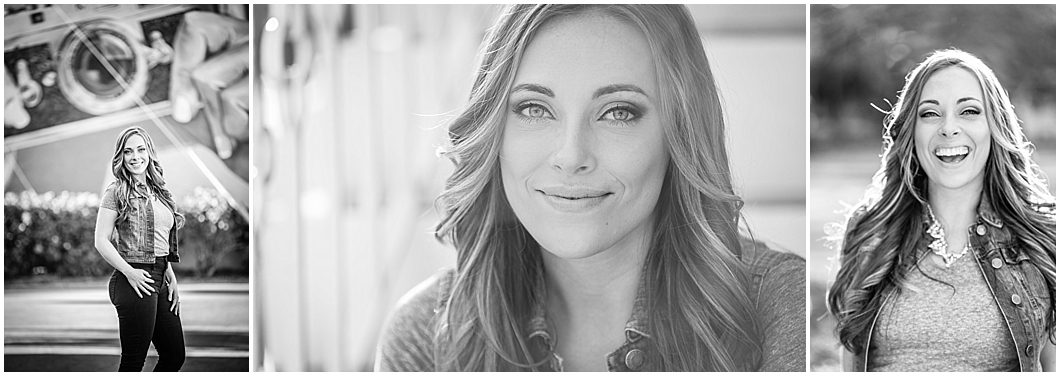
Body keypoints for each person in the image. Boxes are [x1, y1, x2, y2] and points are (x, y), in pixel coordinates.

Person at [375, 4, 805, 372]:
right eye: (534, 108)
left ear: (680, 135)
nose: (570, 154)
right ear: (495, 133)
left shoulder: (782, 308)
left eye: (617, 112)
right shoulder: (426, 338)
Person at [827, 49, 1056, 372]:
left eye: (969, 111)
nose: (949, 128)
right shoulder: (871, 231)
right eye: (930, 114)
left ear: (995, 126)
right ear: (911, 132)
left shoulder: (1041, 237)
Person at [94, 126, 186, 371]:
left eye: (140, 149)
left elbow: (159, 242)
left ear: (149, 152)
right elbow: (101, 240)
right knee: (134, 361)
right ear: (121, 157)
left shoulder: (160, 193)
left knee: (174, 356)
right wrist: (130, 272)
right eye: (128, 151)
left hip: (160, 277)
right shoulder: (116, 192)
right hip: (133, 278)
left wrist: (170, 277)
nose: (135, 156)